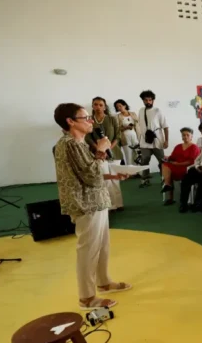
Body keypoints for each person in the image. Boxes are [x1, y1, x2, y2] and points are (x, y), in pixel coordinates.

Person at [53, 103, 130, 310]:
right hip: (86, 203)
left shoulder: (78, 142)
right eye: (84, 117)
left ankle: (103, 282)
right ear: (70, 122)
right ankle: (86, 297)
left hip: (96, 200)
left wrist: (113, 175)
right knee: (88, 250)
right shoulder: (70, 144)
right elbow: (90, 176)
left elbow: (88, 172)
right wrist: (102, 150)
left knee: (102, 245)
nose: (90, 121)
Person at [135, 90, 168, 188]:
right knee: (144, 160)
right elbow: (140, 126)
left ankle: (164, 179)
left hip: (157, 141)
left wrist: (166, 140)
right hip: (145, 141)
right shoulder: (141, 111)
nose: (148, 102)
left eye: (150, 100)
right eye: (146, 100)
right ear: (143, 101)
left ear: (153, 100)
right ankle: (145, 179)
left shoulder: (158, 111)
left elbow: (165, 126)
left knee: (162, 161)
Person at [161, 128, 202, 205]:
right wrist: (167, 157)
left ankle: (168, 186)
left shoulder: (194, 147)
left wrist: (177, 164)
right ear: (181, 136)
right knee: (165, 165)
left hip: (187, 168)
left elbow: (192, 161)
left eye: (187, 135)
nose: (185, 136)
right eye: (183, 135)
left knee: (168, 172)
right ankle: (168, 186)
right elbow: (172, 157)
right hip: (176, 166)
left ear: (191, 136)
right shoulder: (178, 146)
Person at [85, 97, 122, 163]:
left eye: (101, 105)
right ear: (92, 106)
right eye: (95, 104)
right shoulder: (89, 119)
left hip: (114, 152)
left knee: (116, 172)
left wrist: (108, 149)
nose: (98, 107)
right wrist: (100, 149)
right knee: (100, 172)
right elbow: (88, 137)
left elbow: (118, 136)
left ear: (104, 107)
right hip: (96, 153)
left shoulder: (112, 119)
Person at [113, 99, 139, 165]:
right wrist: (126, 127)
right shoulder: (117, 117)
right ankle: (130, 172)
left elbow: (138, 124)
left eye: (120, 106)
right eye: (117, 107)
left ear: (124, 105)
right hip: (125, 137)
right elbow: (117, 129)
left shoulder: (133, 114)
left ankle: (139, 172)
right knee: (128, 155)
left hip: (135, 136)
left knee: (137, 154)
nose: (119, 108)